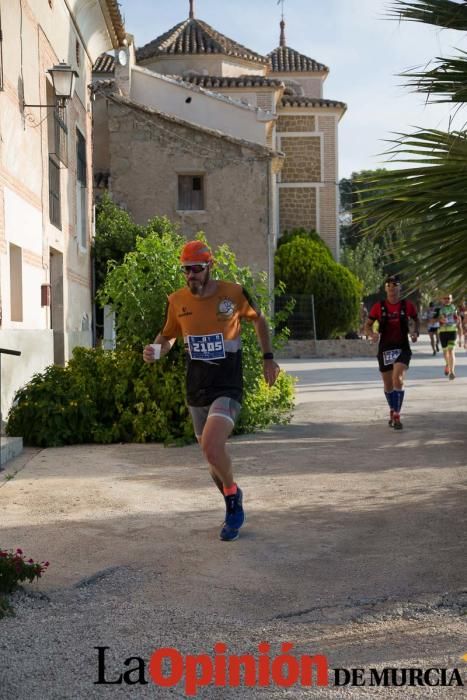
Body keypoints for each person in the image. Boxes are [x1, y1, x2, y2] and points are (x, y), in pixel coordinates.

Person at [143, 240, 280, 542]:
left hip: (227, 386)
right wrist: (156, 350)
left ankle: (233, 500)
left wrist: (268, 358)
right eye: (186, 270)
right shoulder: (177, 300)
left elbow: (259, 321)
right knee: (211, 459)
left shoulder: (232, 293)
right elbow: (168, 337)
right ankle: (231, 493)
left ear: (209, 267)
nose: (190, 275)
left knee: (211, 446)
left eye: (196, 269)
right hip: (196, 389)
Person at [364, 274, 419, 430]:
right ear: (385, 288)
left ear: (400, 288)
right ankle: (392, 409)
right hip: (385, 348)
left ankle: (397, 415)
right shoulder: (378, 306)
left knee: (398, 378)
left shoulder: (407, 305)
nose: (392, 288)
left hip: (402, 347)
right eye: (388, 285)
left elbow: (416, 319)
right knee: (388, 385)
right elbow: (367, 325)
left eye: (395, 285)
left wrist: (415, 333)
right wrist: (372, 334)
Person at [434, 293, 461, 380]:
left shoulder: (454, 308)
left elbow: (458, 319)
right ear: (442, 299)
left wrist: (460, 337)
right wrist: (440, 319)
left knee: (451, 351)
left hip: (452, 331)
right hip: (442, 332)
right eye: (445, 298)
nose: (446, 300)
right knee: (445, 352)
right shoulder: (438, 309)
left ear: (451, 299)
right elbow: (433, 320)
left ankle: (452, 371)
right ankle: (448, 364)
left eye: (448, 298)